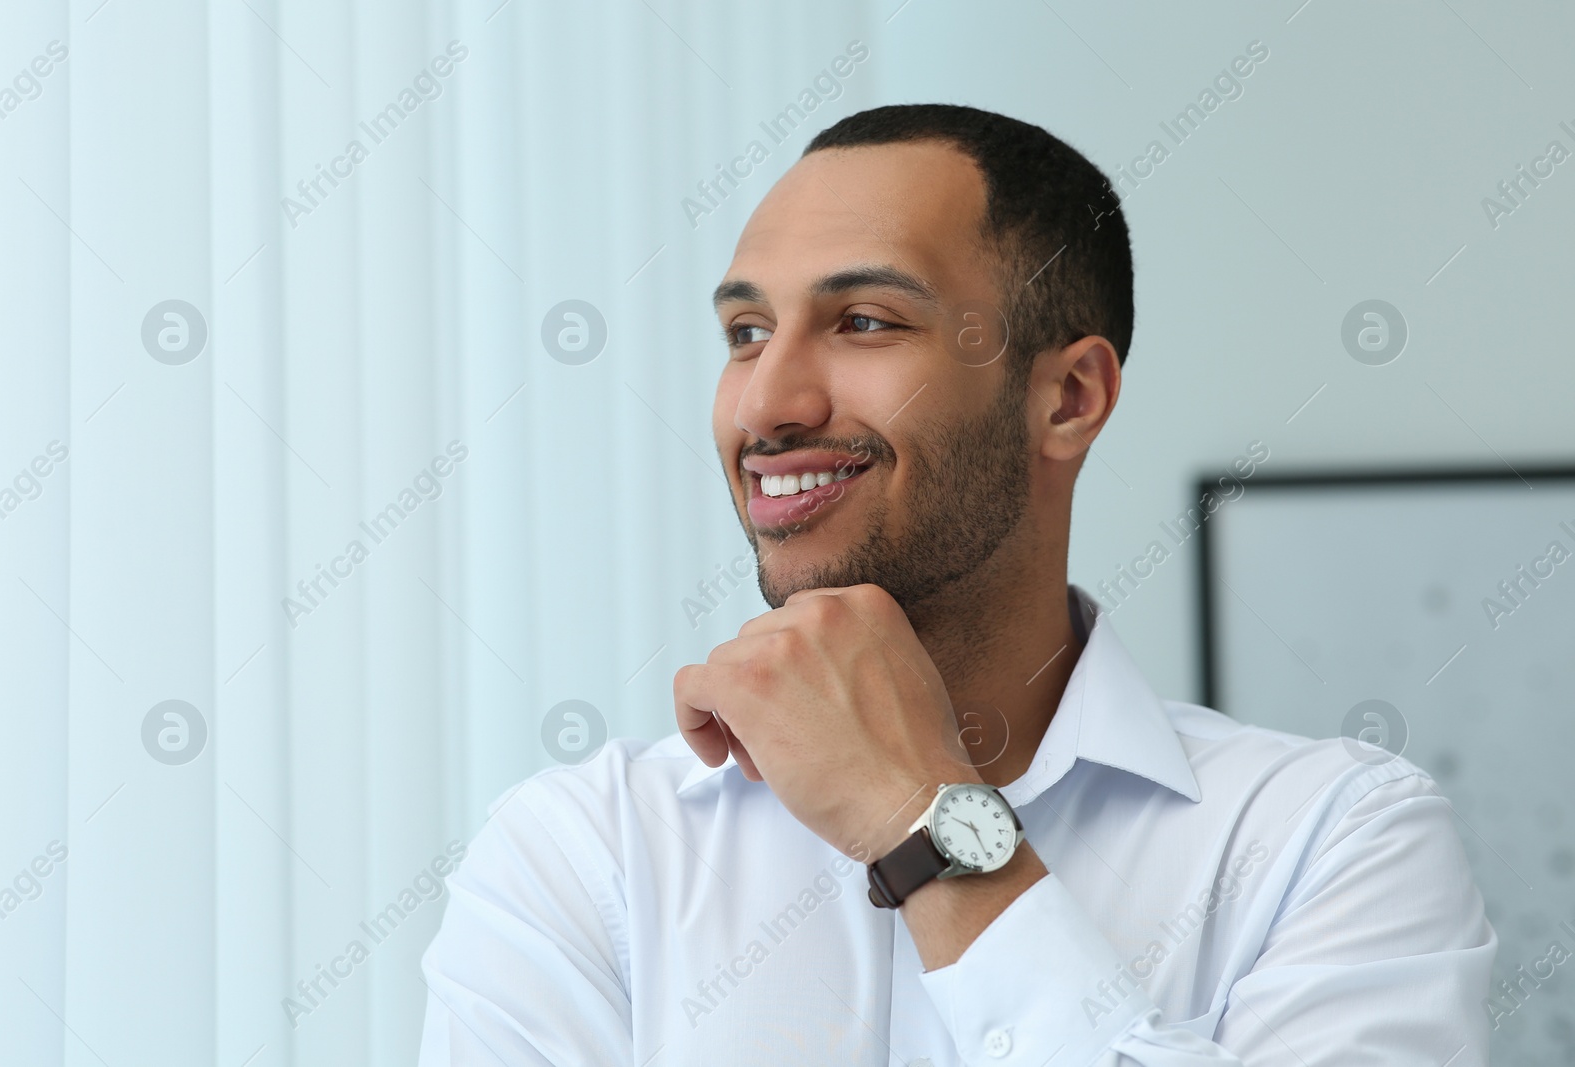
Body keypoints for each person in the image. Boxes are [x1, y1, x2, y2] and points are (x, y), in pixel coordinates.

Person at [417, 104, 1495, 1065]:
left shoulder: (1330, 840)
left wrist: (925, 822)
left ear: (1069, 395)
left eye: (865, 322)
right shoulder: (583, 850)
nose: (767, 404)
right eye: (746, 333)